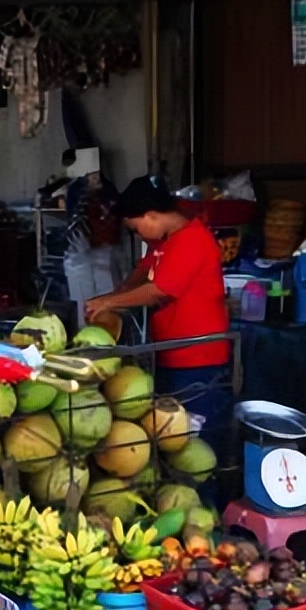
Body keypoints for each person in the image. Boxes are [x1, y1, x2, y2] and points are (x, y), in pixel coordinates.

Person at [84, 175, 232, 444]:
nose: (138, 234)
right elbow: (144, 270)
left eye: (135, 228)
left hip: (198, 360)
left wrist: (110, 303)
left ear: (151, 216)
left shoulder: (193, 240)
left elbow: (159, 290)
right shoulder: (166, 241)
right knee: (170, 439)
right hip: (171, 355)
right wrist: (115, 295)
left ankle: (210, 487)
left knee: (194, 439)